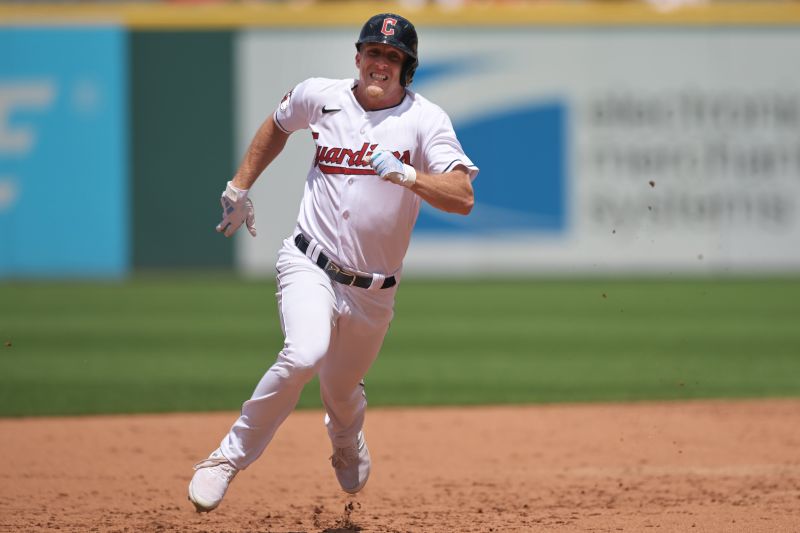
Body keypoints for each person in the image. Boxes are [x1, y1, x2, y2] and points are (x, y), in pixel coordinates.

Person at [188, 12, 478, 512]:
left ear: (407, 68)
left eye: (393, 56)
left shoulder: (424, 119)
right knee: (305, 353)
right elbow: (277, 125)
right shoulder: (320, 96)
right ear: (358, 56)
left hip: (373, 291)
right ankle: (225, 459)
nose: (380, 63)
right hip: (310, 261)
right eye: (373, 52)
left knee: (341, 391)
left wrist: (409, 176)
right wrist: (240, 185)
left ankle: (345, 439)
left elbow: (463, 195)